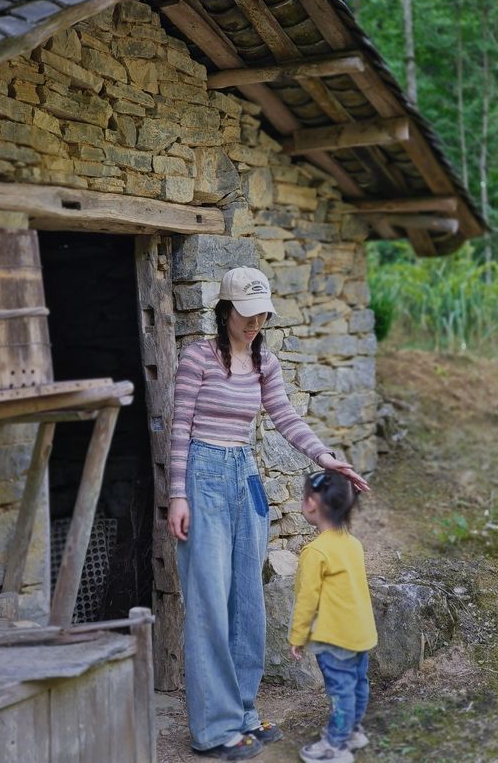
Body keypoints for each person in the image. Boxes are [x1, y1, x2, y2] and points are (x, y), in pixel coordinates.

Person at [167, 266, 369, 761]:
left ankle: (242, 713)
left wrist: (324, 456)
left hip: (245, 475)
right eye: (247, 312)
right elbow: (179, 427)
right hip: (204, 474)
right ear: (225, 310)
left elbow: (285, 417)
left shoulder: (265, 362)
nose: (255, 321)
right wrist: (178, 494)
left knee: (247, 603)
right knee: (210, 602)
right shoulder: (198, 357)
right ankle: (213, 731)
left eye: (262, 313)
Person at [289, 469, 377, 763]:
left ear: (312, 503)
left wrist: (297, 637)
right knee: (357, 684)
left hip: (334, 637)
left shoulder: (315, 552)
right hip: (360, 634)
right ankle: (353, 732)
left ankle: (335, 746)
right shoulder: (353, 544)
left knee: (341, 691)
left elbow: (306, 600)